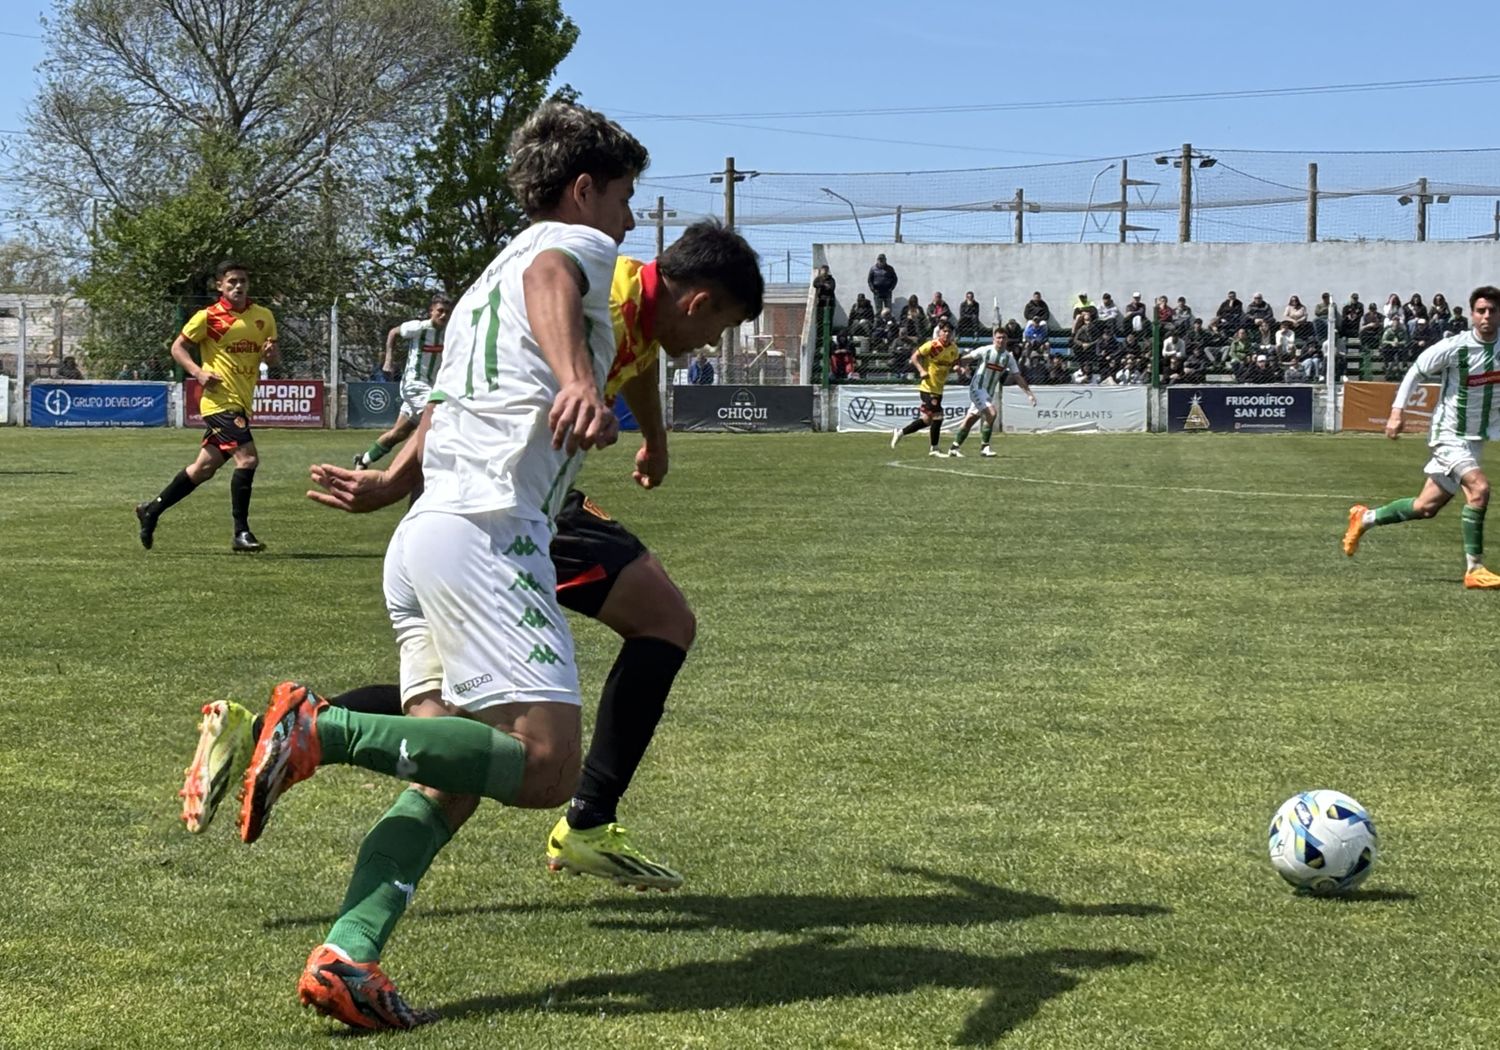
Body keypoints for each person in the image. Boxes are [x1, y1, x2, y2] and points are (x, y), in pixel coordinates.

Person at [233, 101, 653, 1030]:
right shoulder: (566, 248)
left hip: (425, 535)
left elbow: (448, 408)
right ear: (585, 189)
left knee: (452, 773)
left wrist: (387, 484)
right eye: (626, 197)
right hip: (489, 537)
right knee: (547, 769)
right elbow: (556, 274)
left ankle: (347, 955)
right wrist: (580, 381)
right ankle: (322, 731)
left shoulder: (479, 287)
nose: (631, 220)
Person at [1342, 286, 1500, 589]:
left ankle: (1364, 518)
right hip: (1448, 435)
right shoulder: (1455, 347)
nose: (1486, 316)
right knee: (1479, 489)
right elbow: (1415, 370)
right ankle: (1475, 569)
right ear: (1471, 314)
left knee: (1426, 507)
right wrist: (1397, 412)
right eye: (1481, 310)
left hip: (1475, 439)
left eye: (1492, 310)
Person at [134, 260, 279, 553]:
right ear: (220, 285)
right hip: (218, 402)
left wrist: (272, 353)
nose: (238, 286)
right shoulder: (208, 317)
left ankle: (151, 510)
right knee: (248, 459)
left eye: (243, 281)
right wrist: (198, 373)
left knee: (202, 469)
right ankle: (241, 532)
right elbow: (177, 348)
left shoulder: (263, 316)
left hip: (242, 402)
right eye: (232, 281)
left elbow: (273, 361)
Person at [354, 294, 454, 469]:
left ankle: (363, 461)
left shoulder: (449, 332)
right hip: (414, 385)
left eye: (447, 312)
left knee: (398, 433)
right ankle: (427, 469)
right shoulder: (418, 327)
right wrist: (388, 359)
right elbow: (393, 332)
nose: (443, 315)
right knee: (439, 417)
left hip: (430, 387)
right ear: (431, 311)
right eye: (440, 311)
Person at [948, 328, 1035, 458]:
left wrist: (1029, 394)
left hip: (988, 392)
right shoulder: (986, 350)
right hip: (977, 388)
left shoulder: (1008, 357)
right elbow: (968, 358)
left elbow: (1017, 376)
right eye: (998, 337)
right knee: (992, 413)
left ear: (1007, 340)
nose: (1001, 340)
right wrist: (957, 365)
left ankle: (954, 448)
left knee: (970, 420)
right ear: (993, 339)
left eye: (1003, 338)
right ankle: (985, 447)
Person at [890, 317, 958, 457]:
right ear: (939, 333)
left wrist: (959, 368)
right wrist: (921, 370)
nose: (947, 334)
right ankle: (934, 449)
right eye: (944, 331)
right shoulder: (932, 345)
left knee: (928, 420)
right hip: (927, 388)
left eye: (949, 332)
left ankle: (901, 432)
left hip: (938, 388)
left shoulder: (953, 349)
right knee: (938, 416)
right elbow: (914, 357)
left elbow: (954, 363)